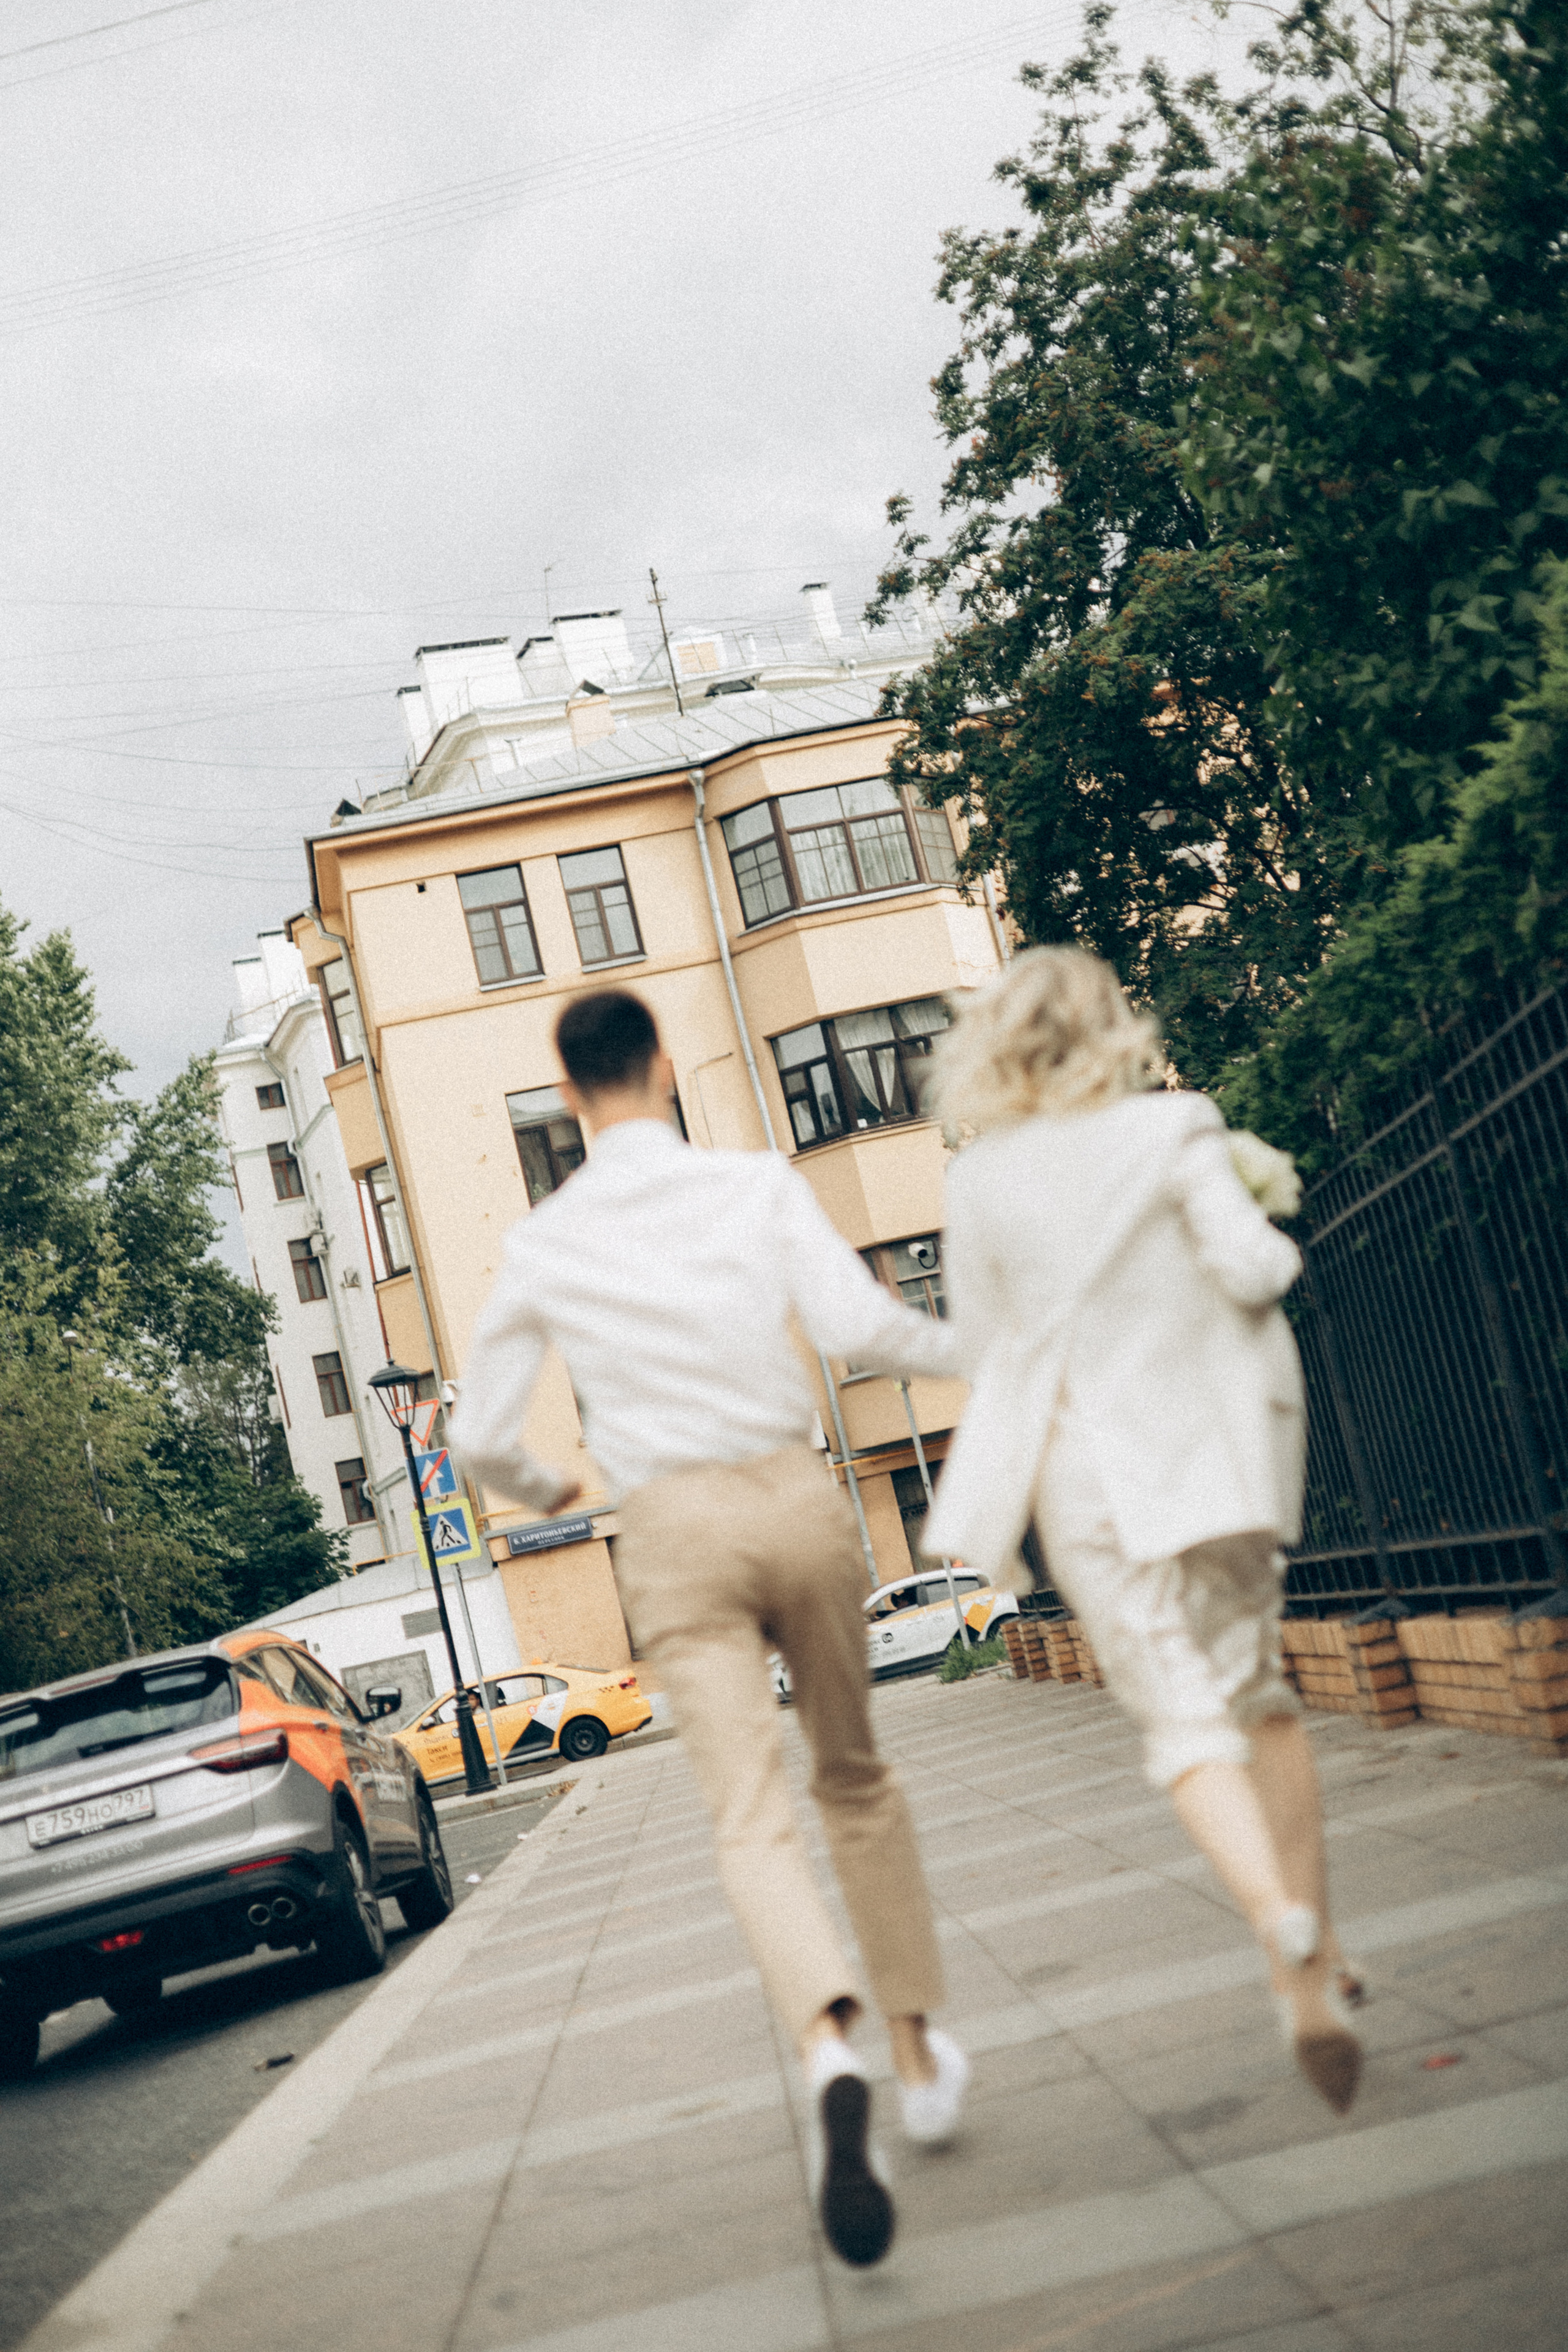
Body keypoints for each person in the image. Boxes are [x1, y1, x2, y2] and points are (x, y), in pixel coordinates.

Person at [450, 987, 971, 2265]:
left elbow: (475, 1436)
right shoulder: (754, 1187)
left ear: (569, 1097)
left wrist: (550, 1488)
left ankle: (824, 2043)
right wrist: (980, 1345)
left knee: (747, 1811)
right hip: (795, 1497)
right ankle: (914, 2045)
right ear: (666, 1068)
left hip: (670, 1528)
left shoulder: (546, 1241)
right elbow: (856, 1328)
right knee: (852, 1778)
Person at [923, 947, 1362, 2114]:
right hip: (1214, 1463)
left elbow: (980, 1345)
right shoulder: (1180, 1130)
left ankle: (1278, 1919)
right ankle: (1306, 1974)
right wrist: (1267, 1210)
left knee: (1179, 1720)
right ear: (1114, 1027)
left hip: (1091, 1485)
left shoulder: (978, 1184)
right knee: (1258, 1694)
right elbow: (1256, 1270)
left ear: (1000, 1046)